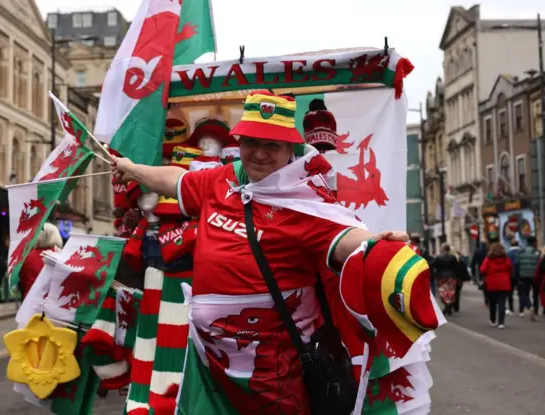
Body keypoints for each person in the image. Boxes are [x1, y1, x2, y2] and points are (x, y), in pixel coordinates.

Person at [110, 91, 428, 414]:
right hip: (211, 370)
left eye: (272, 145)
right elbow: (178, 181)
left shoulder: (304, 201)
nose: (259, 154)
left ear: (289, 148)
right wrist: (134, 169)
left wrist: (375, 244)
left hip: (274, 379)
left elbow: (344, 237)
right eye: (251, 142)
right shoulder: (224, 179)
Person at [19, 222, 63, 300]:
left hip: (32, 302)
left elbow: (23, 280)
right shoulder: (62, 255)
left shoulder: (28, 256)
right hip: (55, 302)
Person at [480, 243, 512, 329]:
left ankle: (493, 319)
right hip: (504, 282)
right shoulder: (506, 258)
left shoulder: (489, 259)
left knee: (492, 303)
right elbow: (510, 268)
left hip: (492, 283)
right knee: (502, 303)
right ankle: (501, 323)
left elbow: (483, 269)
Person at [515, 235, 540, 320]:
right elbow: (539, 265)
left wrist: (517, 277)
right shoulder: (537, 252)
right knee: (535, 295)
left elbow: (516, 265)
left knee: (523, 294)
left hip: (523, 276)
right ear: (534, 243)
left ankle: (529, 306)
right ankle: (535, 312)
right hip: (535, 276)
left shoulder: (521, 252)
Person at [433, 243, 459, 315]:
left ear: (443, 249)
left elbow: (435, 267)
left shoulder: (438, 257)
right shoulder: (453, 257)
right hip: (451, 276)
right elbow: (456, 267)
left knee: (442, 292)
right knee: (450, 292)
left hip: (441, 277)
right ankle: (448, 306)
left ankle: (447, 306)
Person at [506, 239, 521, 315]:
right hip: (520, 275)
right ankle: (521, 310)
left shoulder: (508, 253)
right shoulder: (521, 252)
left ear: (511, 245)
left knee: (510, 293)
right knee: (521, 293)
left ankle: (511, 309)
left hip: (510, 275)